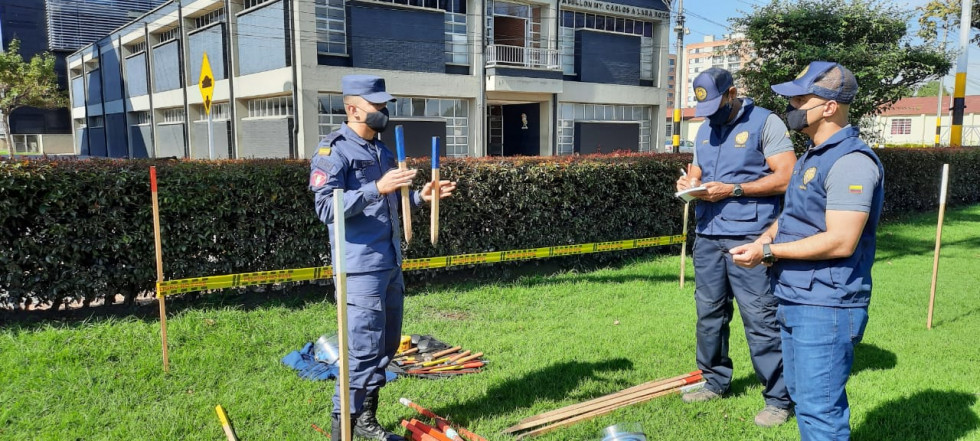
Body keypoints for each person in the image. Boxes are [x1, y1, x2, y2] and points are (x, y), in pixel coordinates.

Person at [731, 61, 883, 441]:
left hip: (827, 305)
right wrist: (764, 240)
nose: (792, 107)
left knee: (820, 409)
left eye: (801, 98)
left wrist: (771, 254)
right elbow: (793, 216)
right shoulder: (812, 155)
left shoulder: (851, 162)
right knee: (803, 398)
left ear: (829, 106)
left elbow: (841, 240)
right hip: (796, 297)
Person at [309, 74, 456, 440]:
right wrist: (376, 187)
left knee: (386, 346)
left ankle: (365, 420)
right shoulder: (334, 151)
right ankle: (341, 427)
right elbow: (326, 207)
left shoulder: (383, 151)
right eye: (377, 105)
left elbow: (392, 205)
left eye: (385, 105)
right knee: (361, 350)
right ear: (352, 108)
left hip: (389, 263)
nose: (383, 111)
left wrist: (422, 197)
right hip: (359, 268)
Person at [675, 67, 797, 427]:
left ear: (732, 93)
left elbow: (786, 177)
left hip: (752, 237)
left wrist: (734, 189)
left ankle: (778, 398)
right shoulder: (704, 129)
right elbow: (697, 172)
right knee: (709, 313)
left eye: (716, 105)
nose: (711, 115)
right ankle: (714, 380)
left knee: (760, 316)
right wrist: (690, 182)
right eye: (705, 110)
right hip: (708, 235)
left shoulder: (766, 123)